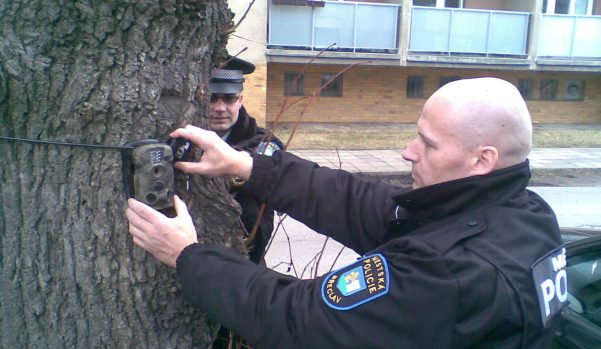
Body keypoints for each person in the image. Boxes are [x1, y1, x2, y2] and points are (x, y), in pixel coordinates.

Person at [126, 77, 565, 348]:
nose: (408, 152)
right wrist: (247, 166)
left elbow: (297, 320)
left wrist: (188, 255)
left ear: (481, 160)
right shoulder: (523, 213)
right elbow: (358, 202)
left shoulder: (450, 273)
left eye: (428, 144)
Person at [203, 56, 283, 264]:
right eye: (212, 98)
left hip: (247, 258)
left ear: (240, 100)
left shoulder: (264, 143)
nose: (220, 107)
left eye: (229, 98)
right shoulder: (185, 143)